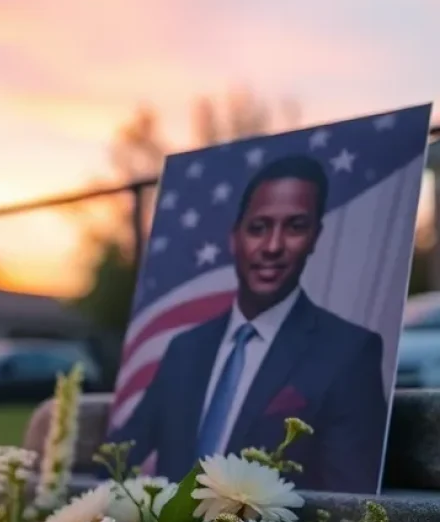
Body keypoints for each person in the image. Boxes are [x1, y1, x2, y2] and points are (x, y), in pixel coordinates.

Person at [111, 155, 387, 493]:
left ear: (316, 236)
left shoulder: (350, 353)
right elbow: (117, 460)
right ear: (234, 237)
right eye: (258, 228)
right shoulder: (184, 349)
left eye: (295, 227)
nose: (273, 246)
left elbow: (349, 503)